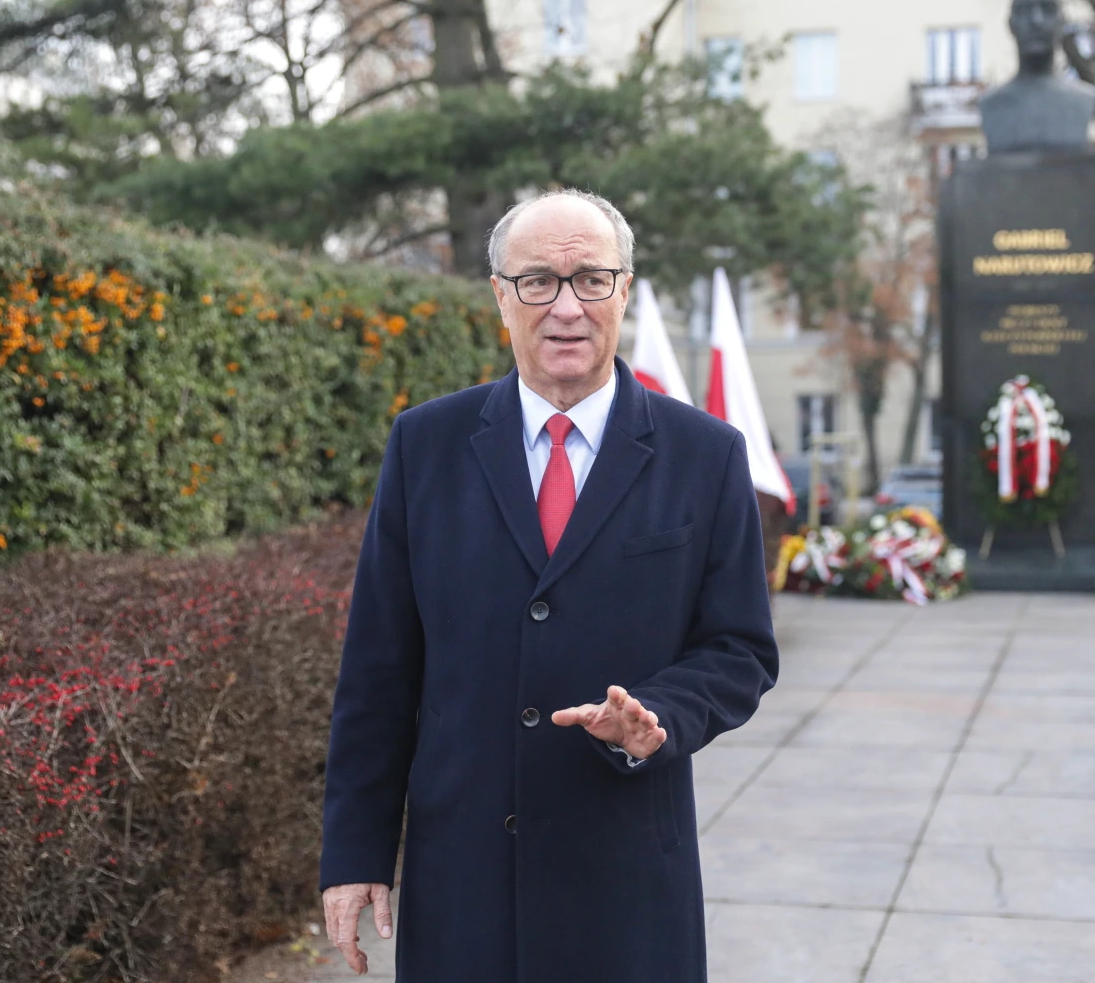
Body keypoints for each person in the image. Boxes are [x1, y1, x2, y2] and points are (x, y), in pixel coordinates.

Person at [319, 189, 780, 981]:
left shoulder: (705, 456)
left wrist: (660, 715)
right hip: (461, 878)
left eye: (591, 279)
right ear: (501, 297)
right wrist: (355, 851)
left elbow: (740, 650)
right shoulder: (424, 445)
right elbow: (378, 669)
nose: (567, 306)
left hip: (627, 875)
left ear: (624, 290)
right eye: (538, 281)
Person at [979, 0, 1095, 154]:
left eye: (1047, 9)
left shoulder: (1083, 100)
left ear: (1062, 22)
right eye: (1025, 10)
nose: (1036, 20)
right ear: (1011, 24)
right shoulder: (992, 105)